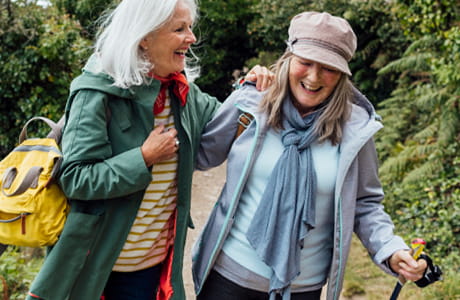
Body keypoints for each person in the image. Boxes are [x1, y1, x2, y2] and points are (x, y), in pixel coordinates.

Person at [25, 0, 272, 300]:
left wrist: (249, 87)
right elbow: (76, 178)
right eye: (179, 29)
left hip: (150, 272)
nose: (191, 38)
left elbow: (224, 124)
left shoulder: (182, 92)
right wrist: (143, 158)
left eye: (190, 28)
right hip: (96, 271)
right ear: (144, 36)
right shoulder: (96, 92)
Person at [192, 11, 428, 300]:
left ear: (342, 73)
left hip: (303, 288)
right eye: (305, 62)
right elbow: (200, 155)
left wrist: (390, 249)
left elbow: (365, 204)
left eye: (328, 67)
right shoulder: (251, 103)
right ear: (289, 57)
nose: (314, 77)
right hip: (228, 279)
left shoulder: (355, 128)